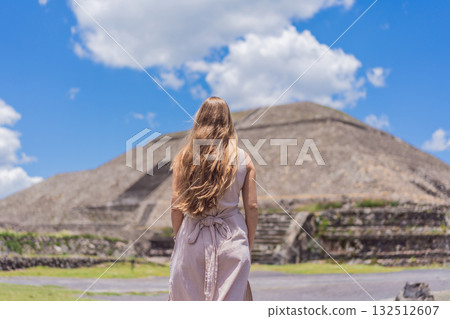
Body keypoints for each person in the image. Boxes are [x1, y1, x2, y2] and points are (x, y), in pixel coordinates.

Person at [168, 96, 258, 301]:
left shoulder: (185, 157)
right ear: (228, 121)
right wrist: (247, 245)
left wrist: (179, 238)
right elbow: (251, 207)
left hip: (192, 239)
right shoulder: (244, 158)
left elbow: (175, 206)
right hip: (232, 239)